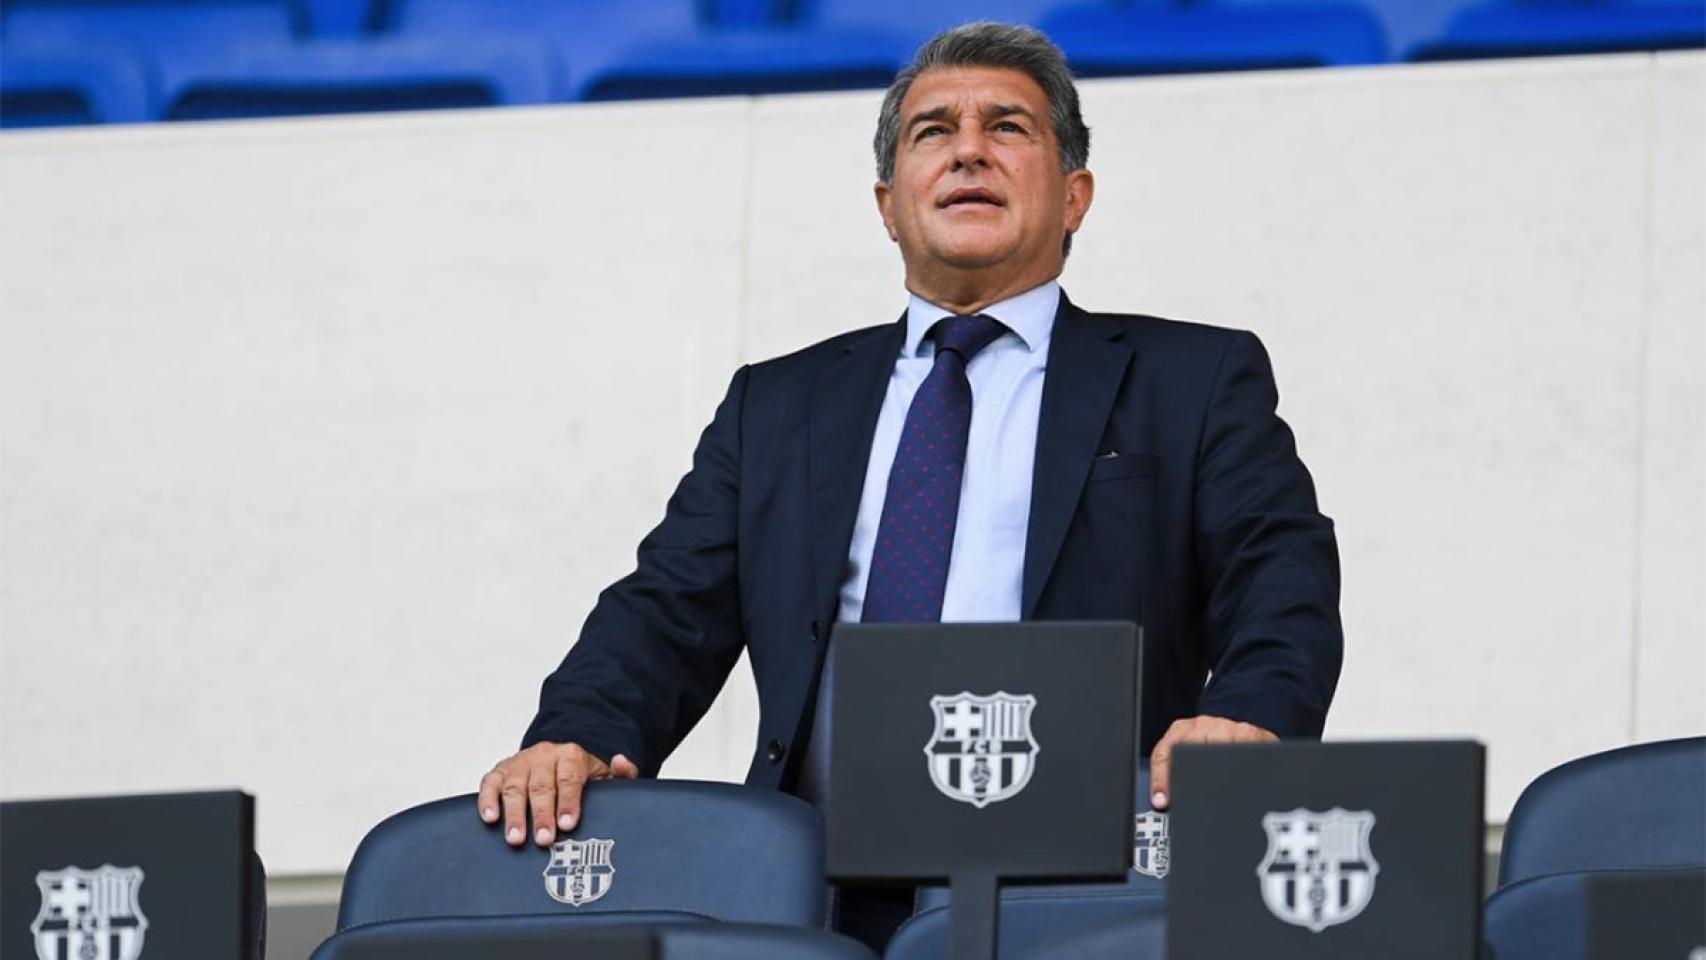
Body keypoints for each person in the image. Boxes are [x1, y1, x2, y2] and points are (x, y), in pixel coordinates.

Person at [479, 17, 1340, 892]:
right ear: (889, 206)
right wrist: (577, 735)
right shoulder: (778, 407)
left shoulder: (1192, 380)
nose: (970, 151)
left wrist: (1244, 718)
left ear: (1075, 196)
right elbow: (665, 612)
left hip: (1090, 873)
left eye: (1008, 128)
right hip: (824, 879)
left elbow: (1279, 572)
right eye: (935, 132)